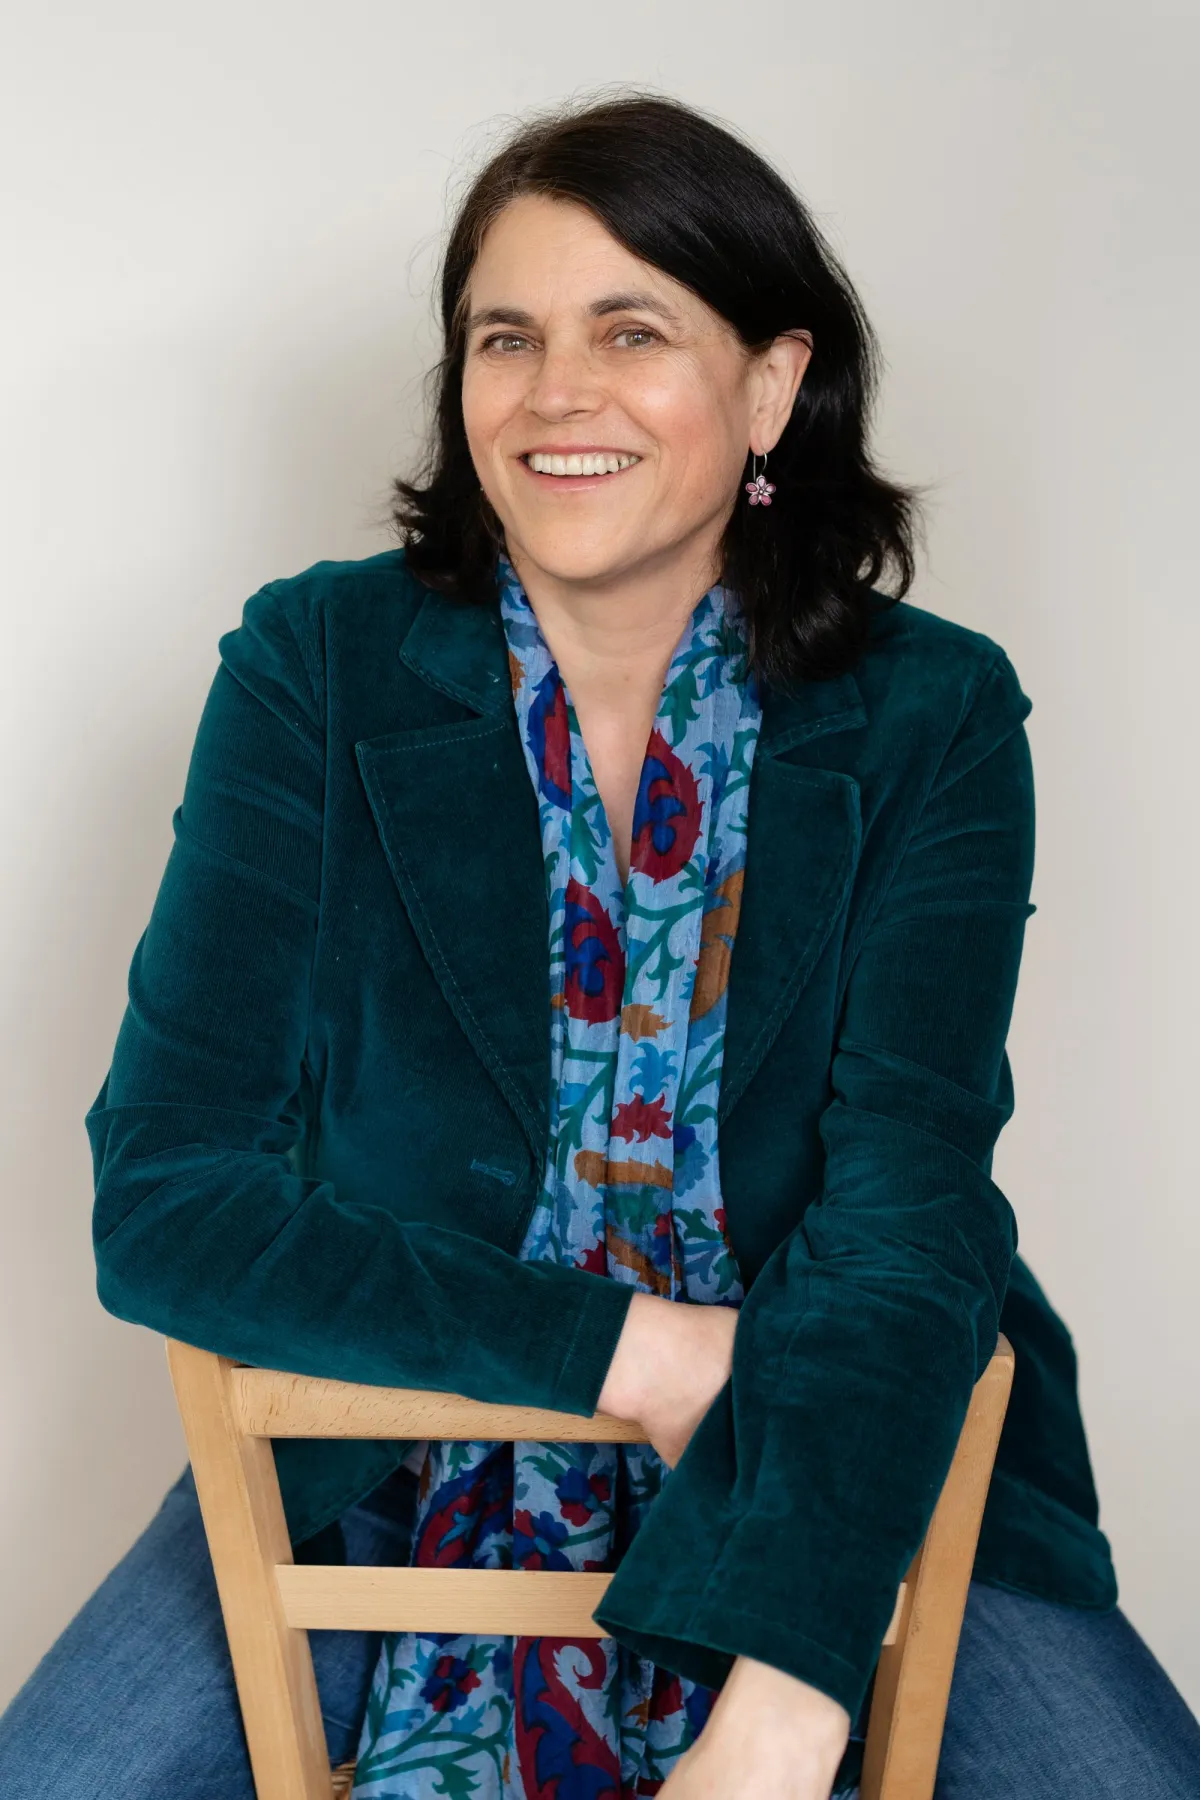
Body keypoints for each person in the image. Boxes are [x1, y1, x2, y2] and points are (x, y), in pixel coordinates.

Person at [2, 90, 1198, 1800]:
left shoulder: (934, 713)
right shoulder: (313, 670)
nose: (557, 392)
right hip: (396, 1448)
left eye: (631, 330)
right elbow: (170, 1198)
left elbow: (909, 1210)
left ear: (773, 384)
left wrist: (786, 1709)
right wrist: (634, 1352)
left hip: (840, 1445)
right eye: (508, 337)